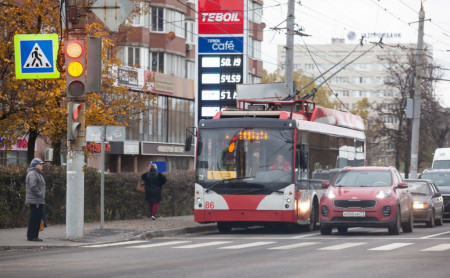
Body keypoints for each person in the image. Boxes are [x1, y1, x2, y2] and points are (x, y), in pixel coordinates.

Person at [25, 158, 46, 242]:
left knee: (35, 218)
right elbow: (33, 186)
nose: (42, 165)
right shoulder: (33, 173)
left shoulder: (37, 173)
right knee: (35, 219)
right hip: (35, 200)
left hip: (38, 200)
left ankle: (31, 236)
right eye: (40, 164)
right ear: (35, 165)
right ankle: (33, 236)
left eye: (42, 164)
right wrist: (40, 194)